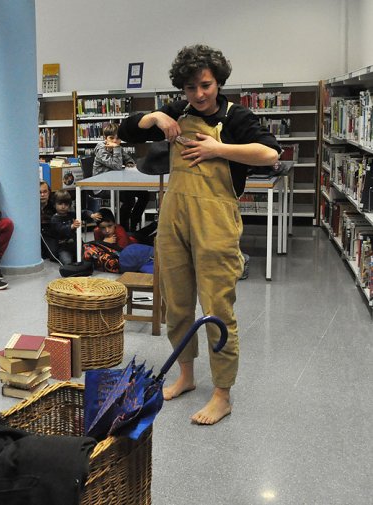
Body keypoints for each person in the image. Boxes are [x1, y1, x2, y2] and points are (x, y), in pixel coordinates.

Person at [118, 44, 280, 425]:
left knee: (217, 308)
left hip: (215, 220)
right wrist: (155, 116)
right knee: (176, 302)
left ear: (218, 81)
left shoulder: (236, 116)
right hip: (174, 217)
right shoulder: (179, 110)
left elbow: (271, 154)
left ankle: (222, 394)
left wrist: (218, 149)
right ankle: (186, 377)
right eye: (191, 88)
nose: (199, 94)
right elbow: (126, 131)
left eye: (205, 85)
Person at [92, 123, 147, 232]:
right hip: (102, 186)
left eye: (118, 138)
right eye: (111, 138)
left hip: (117, 182)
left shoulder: (118, 147)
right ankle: (124, 228)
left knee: (144, 194)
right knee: (129, 198)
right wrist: (117, 149)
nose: (115, 141)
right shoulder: (101, 149)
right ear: (105, 138)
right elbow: (117, 166)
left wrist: (129, 162)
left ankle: (133, 223)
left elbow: (130, 159)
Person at [49, 189, 96, 265]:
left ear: (69, 205)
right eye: (60, 204)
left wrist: (91, 215)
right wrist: (71, 226)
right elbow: (60, 229)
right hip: (63, 247)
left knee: (87, 258)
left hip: (76, 245)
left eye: (66, 204)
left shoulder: (71, 214)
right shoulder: (54, 219)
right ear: (54, 204)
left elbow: (82, 213)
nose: (63, 206)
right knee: (67, 262)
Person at [39, 181, 60, 262]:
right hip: (36, 235)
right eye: (39, 192)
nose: (42, 195)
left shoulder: (54, 205)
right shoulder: (31, 205)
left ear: (49, 192)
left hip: (50, 233)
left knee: (53, 255)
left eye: (45, 192)